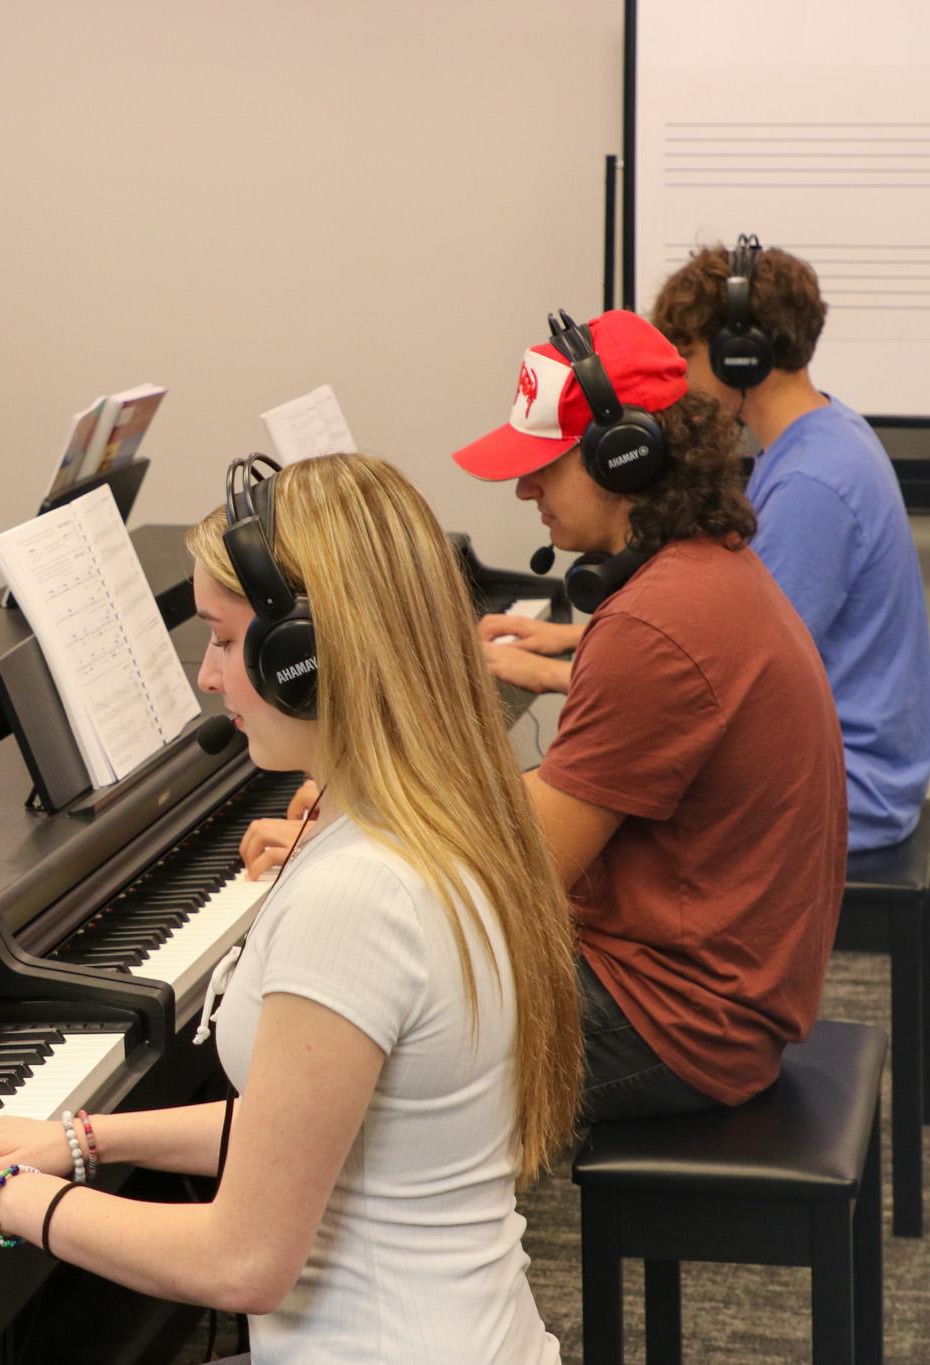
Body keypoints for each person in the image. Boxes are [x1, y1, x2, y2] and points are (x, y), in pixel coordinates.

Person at [0, 454, 581, 1363]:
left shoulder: (361, 893)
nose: (205, 676)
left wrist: (1, 1200)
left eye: (228, 641)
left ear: (308, 658)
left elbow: (243, 1261)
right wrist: (76, 1138)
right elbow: (307, 1124)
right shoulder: (449, 815)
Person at [263, 310, 843, 1123]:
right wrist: (373, 818)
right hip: (716, 988)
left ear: (625, 457)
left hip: (678, 1023)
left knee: (343, 1033)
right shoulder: (699, 574)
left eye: (546, 465)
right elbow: (554, 802)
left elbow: (515, 880)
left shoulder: (655, 623)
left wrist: (344, 846)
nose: (524, 487)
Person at [651, 237, 930, 850]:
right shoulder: (825, 433)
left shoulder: (813, 481)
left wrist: (554, 673)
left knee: (626, 814)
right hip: (845, 765)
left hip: (853, 787)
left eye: (688, 352)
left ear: (741, 358)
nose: (680, 372)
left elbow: (736, 672)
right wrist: (571, 643)